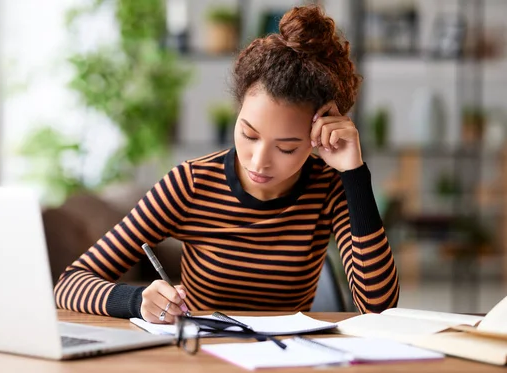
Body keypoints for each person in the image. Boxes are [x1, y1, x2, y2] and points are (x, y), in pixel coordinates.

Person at [54, 5, 399, 324]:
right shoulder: (191, 184)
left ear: (316, 138)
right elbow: (69, 285)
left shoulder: (329, 188)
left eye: (287, 147)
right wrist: (137, 300)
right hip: (202, 358)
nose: (259, 162)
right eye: (249, 135)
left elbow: (379, 307)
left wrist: (353, 175)